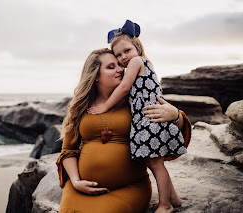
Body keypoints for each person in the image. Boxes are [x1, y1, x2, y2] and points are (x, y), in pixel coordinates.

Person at [56, 47, 191, 213]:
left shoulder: (136, 101)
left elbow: (170, 130)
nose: (120, 69)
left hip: (128, 188)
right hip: (81, 190)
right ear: (95, 75)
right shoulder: (81, 107)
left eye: (119, 66)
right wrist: (76, 182)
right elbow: (68, 151)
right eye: (111, 67)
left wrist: (175, 114)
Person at [87, 20, 187, 213]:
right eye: (118, 55)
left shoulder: (137, 61)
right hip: (147, 121)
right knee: (152, 162)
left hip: (152, 121)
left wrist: (105, 106)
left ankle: (165, 205)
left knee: (157, 164)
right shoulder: (140, 64)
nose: (123, 57)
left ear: (137, 47)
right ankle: (174, 198)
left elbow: (124, 88)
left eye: (127, 51)